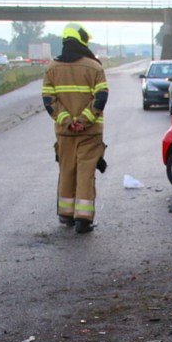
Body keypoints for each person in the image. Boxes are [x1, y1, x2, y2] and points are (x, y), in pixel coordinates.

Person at [41, 23, 108, 234]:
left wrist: (68, 121)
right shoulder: (94, 67)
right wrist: (84, 121)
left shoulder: (51, 68)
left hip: (64, 132)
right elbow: (101, 97)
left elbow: (48, 101)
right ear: (82, 41)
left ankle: (66, 215)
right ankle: (83, 220)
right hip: (90, 132)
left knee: (67, 171)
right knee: (85, 174)